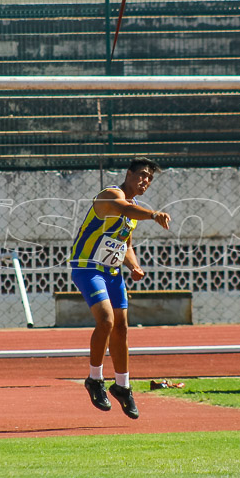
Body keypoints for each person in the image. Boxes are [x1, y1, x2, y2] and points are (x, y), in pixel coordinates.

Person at [71, 157, 171, 419]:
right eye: (141, 175)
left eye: (149, 178)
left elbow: (125, 244)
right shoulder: (110, 195)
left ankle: (123, 386)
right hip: (88, 267)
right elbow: (122, 208)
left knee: (122, 328)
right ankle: (94, 379)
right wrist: (153, 215)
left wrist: (134, 266)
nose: (145, 181)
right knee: (105, 321)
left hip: (112, 273)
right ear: (128, 174)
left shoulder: (133, 209)